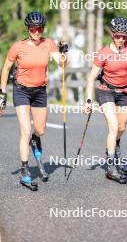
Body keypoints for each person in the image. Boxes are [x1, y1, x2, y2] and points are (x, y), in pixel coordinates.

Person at [0, 11, 68, 191]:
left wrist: (63, 53)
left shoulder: (48, 43)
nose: (37, 32)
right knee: (26, 130)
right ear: (28, 29)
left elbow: (61, 64)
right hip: (21, 91)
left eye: (40, 28)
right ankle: (24, 170)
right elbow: (6, 68)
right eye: (33, 28)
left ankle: (35, 140)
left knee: (40, 130)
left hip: (40, 91)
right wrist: (2, 94)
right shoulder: (18, 47)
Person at [84, 17, 127, 184]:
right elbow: (91, 77)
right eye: (118, 36)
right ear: (112, 34)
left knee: (121, 127)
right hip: (106, 91)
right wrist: (88, 101)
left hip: (124, 92)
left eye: (124, 36)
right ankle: (111, 166)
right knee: (113, 126)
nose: (121, 39)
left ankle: (113, 146)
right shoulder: (104, 53)